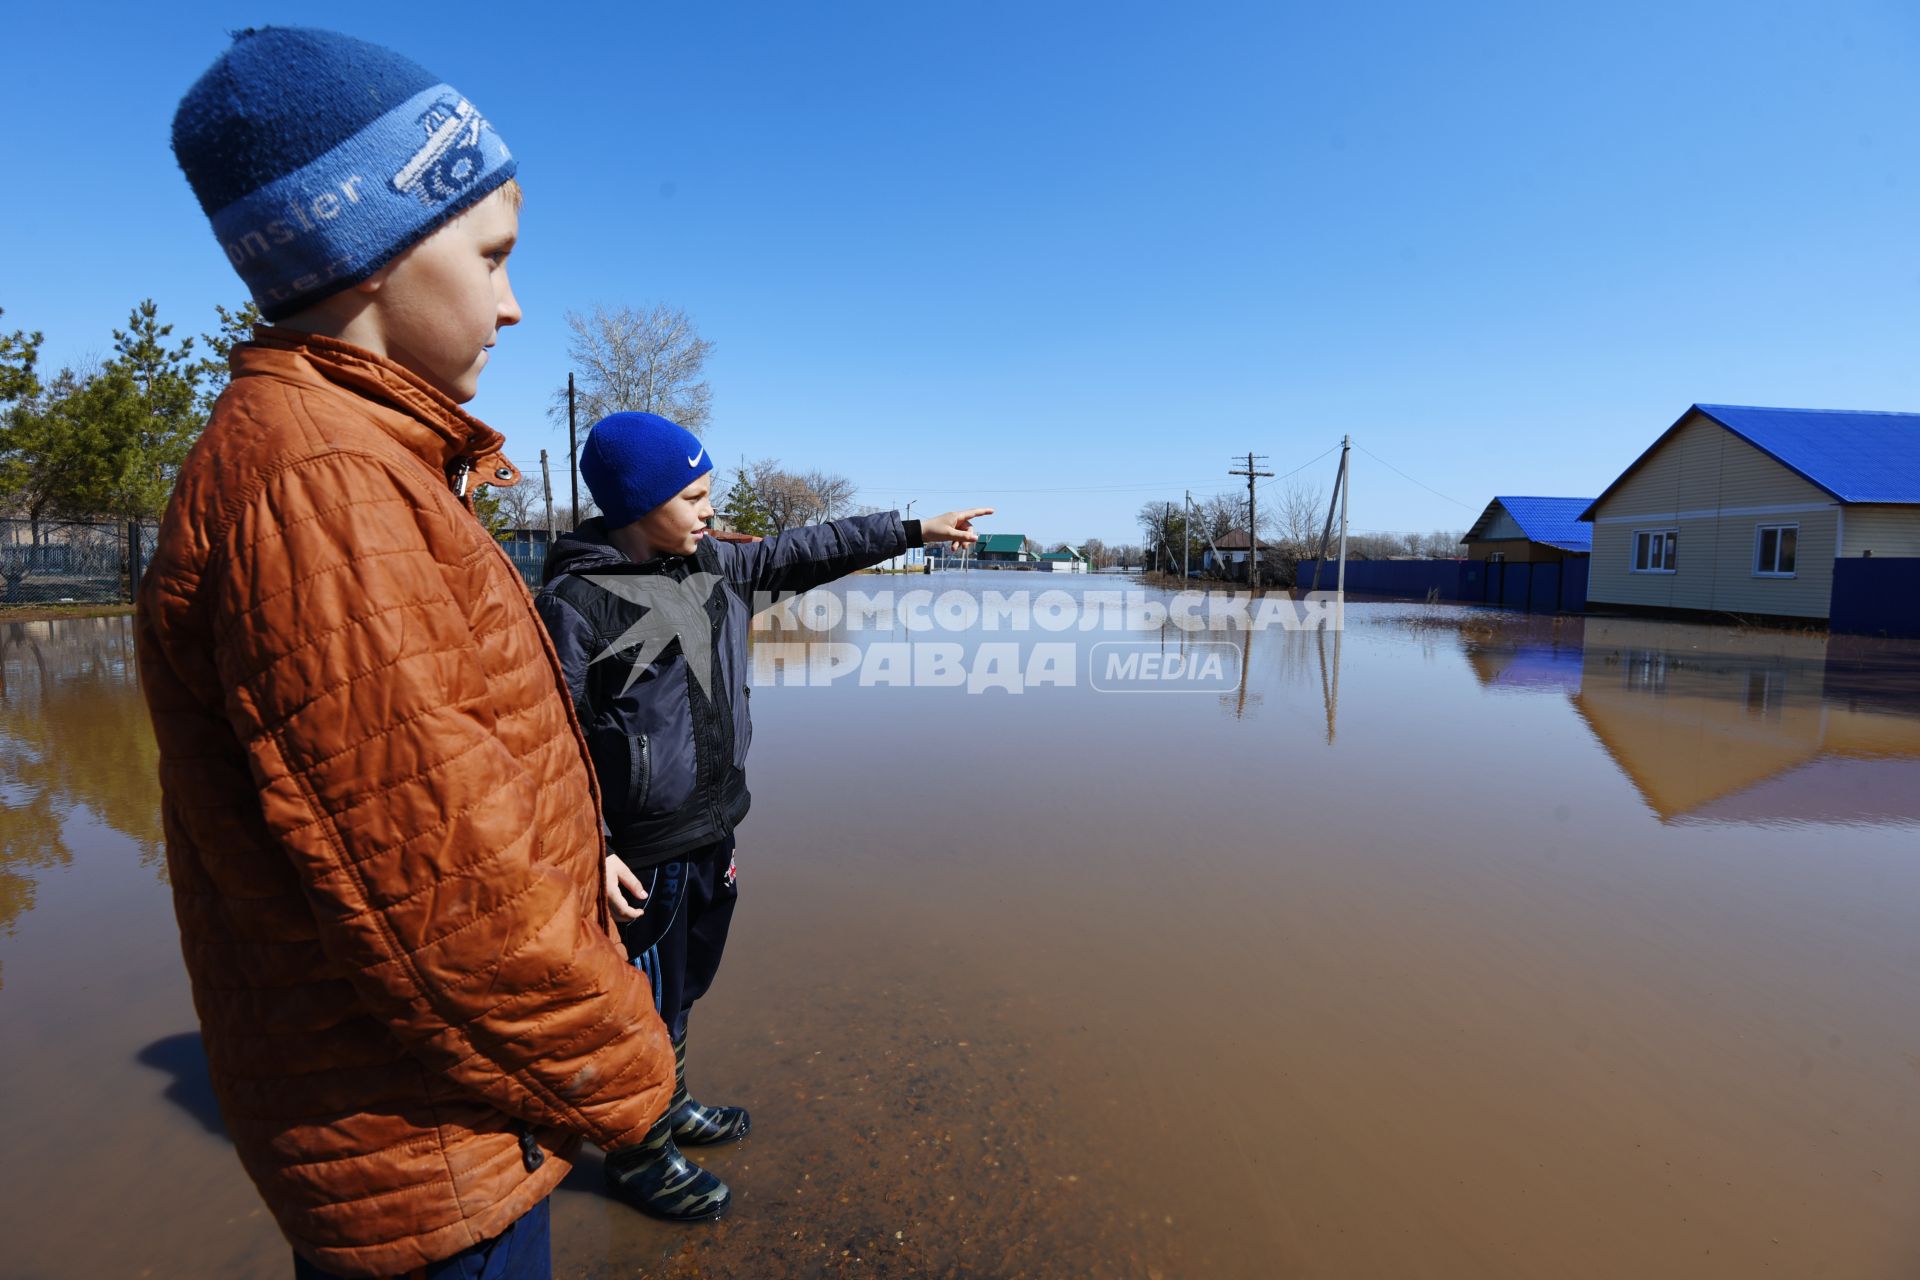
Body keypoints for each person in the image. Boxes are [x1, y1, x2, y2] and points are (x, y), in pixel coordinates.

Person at [139, 28, 673, 1279]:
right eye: (491, 255)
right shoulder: (324, 483)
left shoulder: (357, 454)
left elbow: (431, 781)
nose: (512, 299)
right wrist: (635, 1071)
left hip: (446, 1117)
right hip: (434, 1148)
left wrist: (568, 857)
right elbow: (436, 898)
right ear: (366, 251)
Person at [534, 412, 990, 1220]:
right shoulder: (577, 600)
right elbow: (543, 742)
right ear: (640, 502)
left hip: (715, 826)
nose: (712, 509)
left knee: (686, 985)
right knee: (637, 999)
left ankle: (670, 1106)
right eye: (696, 494)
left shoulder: (717, 567)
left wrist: (913, 527)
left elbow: (808, 549)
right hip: (638, 852)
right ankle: (638, 1154)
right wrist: (589, 845)